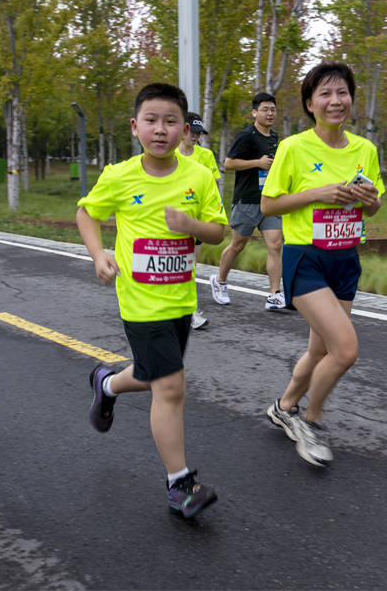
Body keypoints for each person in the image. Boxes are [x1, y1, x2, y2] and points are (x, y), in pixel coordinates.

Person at [77, 82, 226, 518]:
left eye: (170, 121)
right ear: (135, 127)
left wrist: (190, 224)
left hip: (180, 298)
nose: (160, 129)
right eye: (151, 120)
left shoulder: (198, 175)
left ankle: (105, 383)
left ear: (184, 130)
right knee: (171, 386)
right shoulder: (120, 176)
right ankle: (180, 484)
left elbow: (218, 231)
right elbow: (87, 213)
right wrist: (97, 253)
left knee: (153, 376)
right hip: (139, 301)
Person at [260, 62, 384, 466]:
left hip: (345, 258)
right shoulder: (294, 148)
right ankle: (310, 420)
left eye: (342, 93)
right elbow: (269, 204)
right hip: (306, 258)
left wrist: (370, 202)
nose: (336, 101)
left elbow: (374, 206)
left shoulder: (365, 150)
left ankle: (284, 406)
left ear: (351, 99)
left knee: (319, 351)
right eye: (325, 94)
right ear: (310, 104)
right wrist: (319, 194)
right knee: (345, 350)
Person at [209, 92, 285, 311]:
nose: (270, 113)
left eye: (273, 109)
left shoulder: (274, 138)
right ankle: (220, 281)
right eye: (265, 109)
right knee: (238, 245)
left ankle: (274, 294)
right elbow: (229, 163)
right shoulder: (246, 136)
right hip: (247, 199)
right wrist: (257, 163)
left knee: (275, 244)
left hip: (269, 199)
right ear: (254, 112)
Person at [177, 112, 221, 330]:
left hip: (196, 221)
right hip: (172, 220)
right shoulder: (169, 154)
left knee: (190, 267)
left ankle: (189, 311)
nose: (195, 136)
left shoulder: (206, 156)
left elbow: (213, 185)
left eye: (198, 133)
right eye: (192, 132)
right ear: (183, 130)